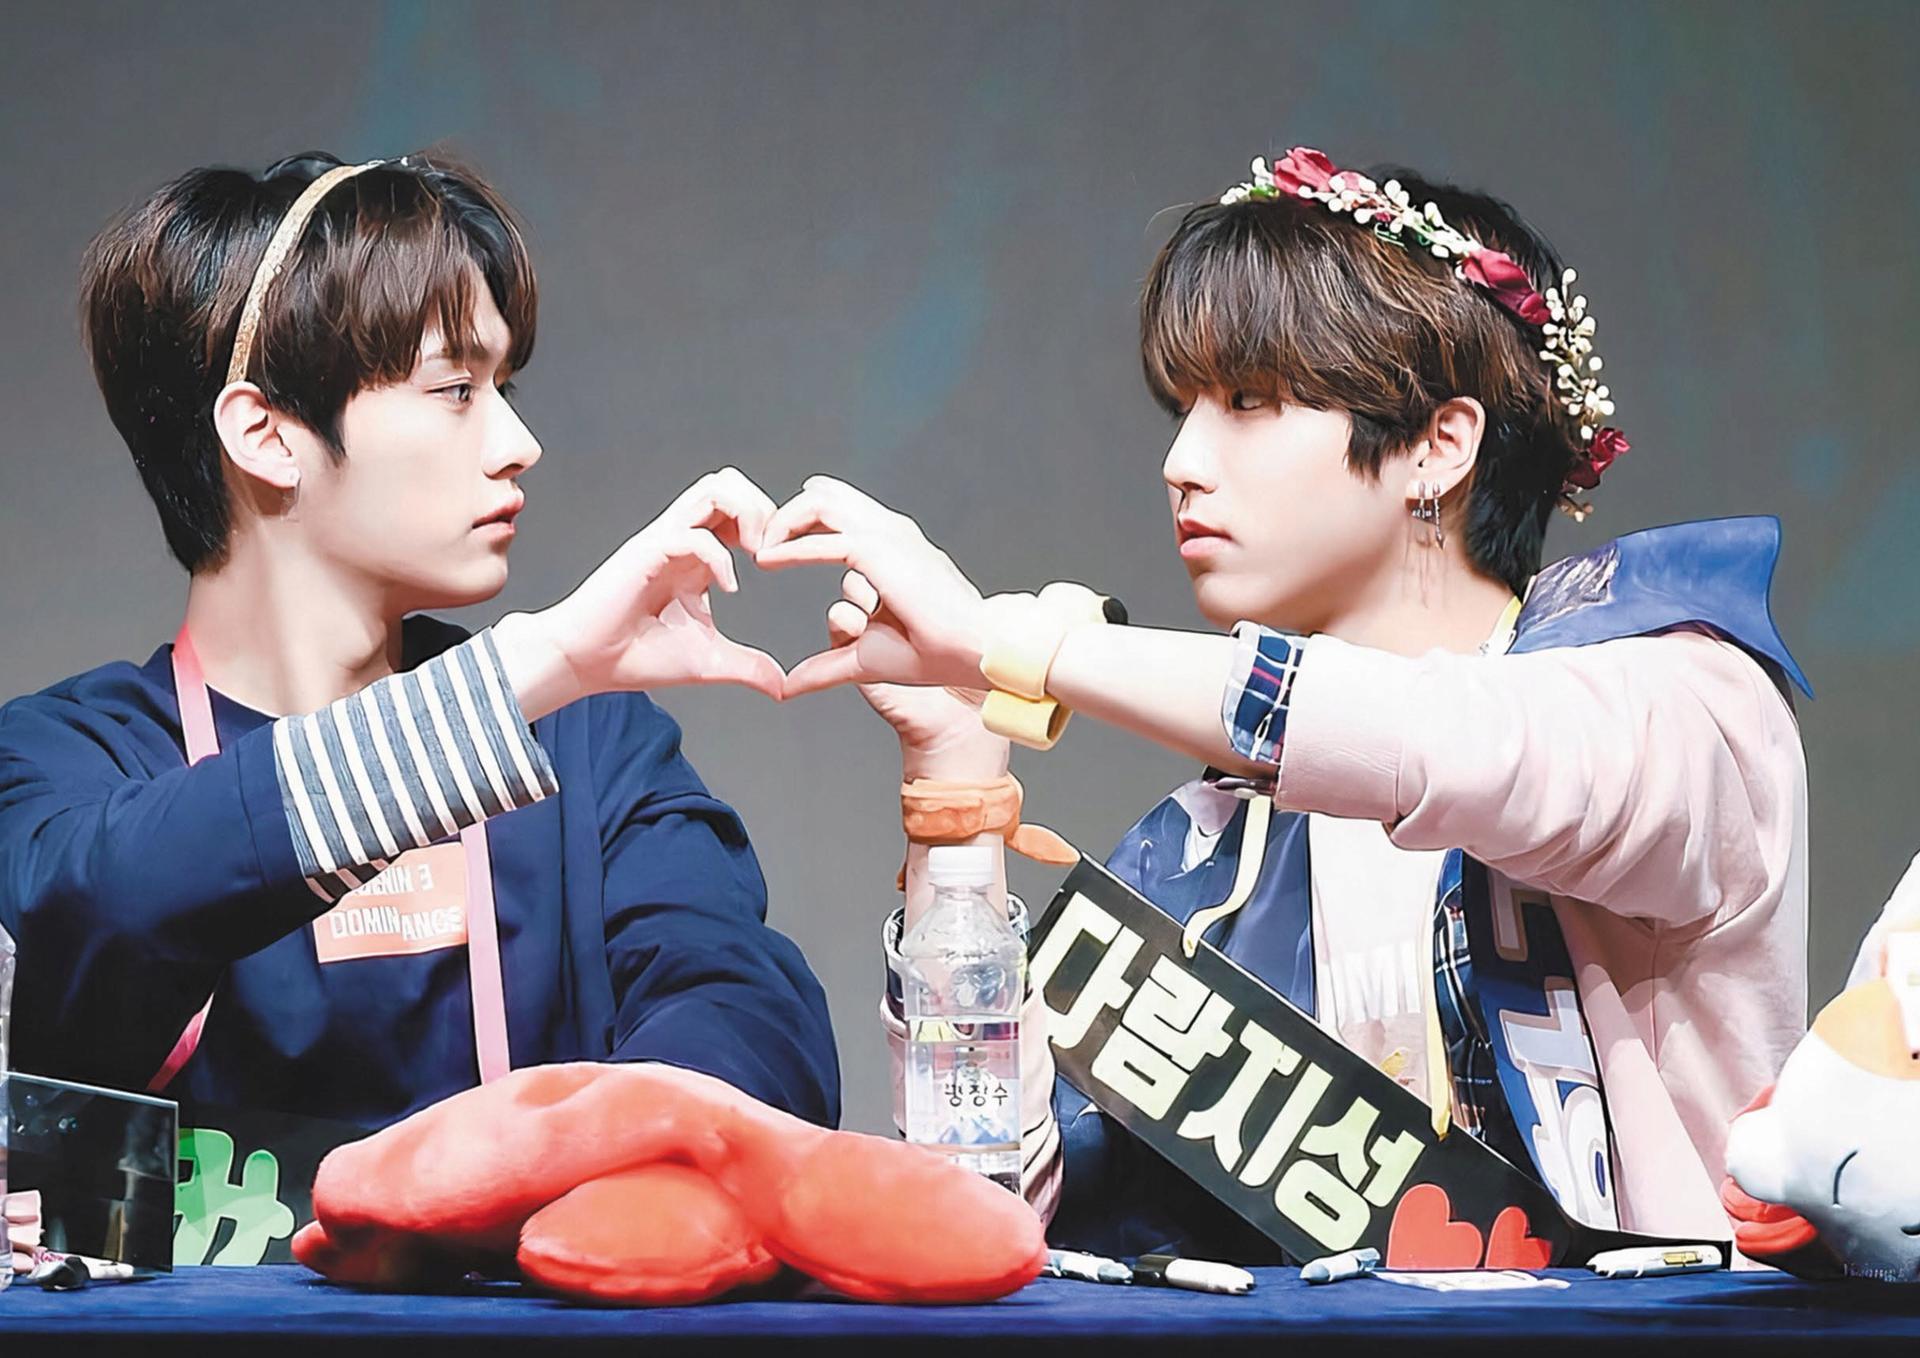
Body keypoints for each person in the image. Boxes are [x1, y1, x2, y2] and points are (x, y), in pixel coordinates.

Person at [757, 147, 1811, 1257]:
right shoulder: (1213, 848)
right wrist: (959, 789)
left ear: (1439, 445)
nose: (1181, 459)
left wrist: (1019, 644)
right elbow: (976, 1211)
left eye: (1250, 402)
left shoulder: (1678, 699)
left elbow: (1440, 742)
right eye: (1185, 407)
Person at [0, 151, 837, 1131]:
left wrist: (571, 1162)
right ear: (267, 435)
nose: (519, 444)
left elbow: (753, 1026)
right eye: (456, 389)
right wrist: (538, 665)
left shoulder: (587, 739)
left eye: (505, 385)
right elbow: (93, 912)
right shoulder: (64, 759)